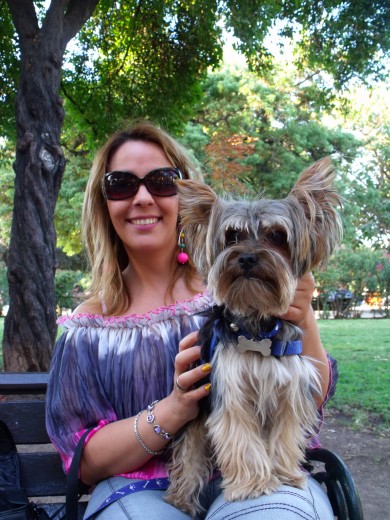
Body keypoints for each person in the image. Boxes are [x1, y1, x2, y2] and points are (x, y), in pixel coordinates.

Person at [46, 121, 337, 519]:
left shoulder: (246, 294)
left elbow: (308, 399)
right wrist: (176, 408)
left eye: (162, 181)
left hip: (269, 475)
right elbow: (83, 462)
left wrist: (303, 319)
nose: (143, 197)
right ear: (104, 203)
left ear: (188, 204)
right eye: (121, 184)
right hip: (136, 487)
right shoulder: (88, 327)